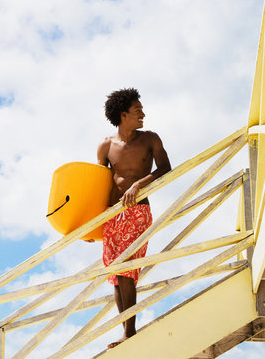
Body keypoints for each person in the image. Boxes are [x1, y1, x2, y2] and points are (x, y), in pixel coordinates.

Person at [96, 88, 171, 348]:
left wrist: (138, 184)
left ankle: (130, 333)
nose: (143, 115)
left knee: (127, 271)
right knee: (116, 276)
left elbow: (165, 168)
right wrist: (91, 225)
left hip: (138, 211)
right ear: (123, 114)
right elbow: (100, 184)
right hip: (111, 215)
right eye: (138, 111)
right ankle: (126, 331)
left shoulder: (150, 138)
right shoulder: (106, 146)